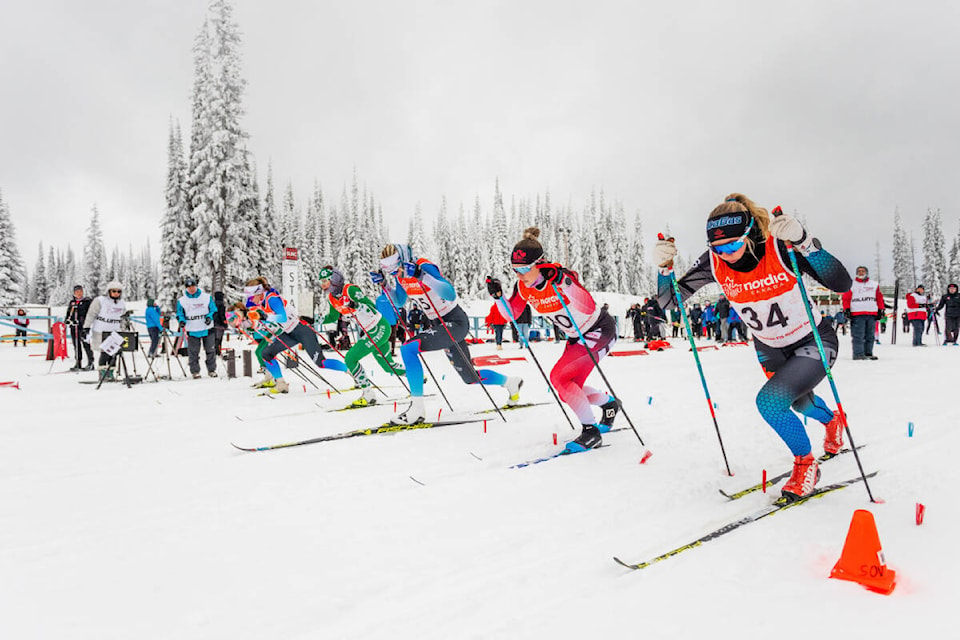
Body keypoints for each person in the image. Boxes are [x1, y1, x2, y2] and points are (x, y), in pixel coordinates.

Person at [655, 193, 852, 501]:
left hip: (813, 339)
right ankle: (832, 421)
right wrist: (664, 270)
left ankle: (805, 464)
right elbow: (668, 302)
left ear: (750, 235)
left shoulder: (778, 247)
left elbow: (841, 283)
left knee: (770, 403)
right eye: (718, 248)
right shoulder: (715, 261)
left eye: (733, 245)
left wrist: (803, 241)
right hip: (770, 346)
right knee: (799, 404)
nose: (727, 254)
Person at [488, 227, 619, 452]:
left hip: (599, 330)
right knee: (568, 386)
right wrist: (499, 298)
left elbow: (587, 306)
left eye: (524, 269)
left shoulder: (561, 276)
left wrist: (561, 281)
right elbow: (511, 315)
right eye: (515, 270)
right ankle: (609, 404)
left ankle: (591, 432)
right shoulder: (522, 287)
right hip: (576, 338)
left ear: (540, 263)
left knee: (559, 377)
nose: (519, 275)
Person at [373, 243, 522, 424]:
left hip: (455, 321)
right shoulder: (401, 276)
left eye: (395, 269)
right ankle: (510, 383)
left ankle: (417, 410)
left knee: (408, 348)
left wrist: (421, 275)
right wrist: (384, 285)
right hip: (439, 324)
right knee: (469, 377)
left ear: (403, 259)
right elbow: (398, 301)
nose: (394, 274)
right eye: (389, 272)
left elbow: (450, 294)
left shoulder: (424, 267)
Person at [319, 267, 406, 407]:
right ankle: (415, 375)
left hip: (379, 327)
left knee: (350, 358)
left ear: (334, 280)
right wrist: (313, 321)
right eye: (321, 281)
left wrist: (355, 304)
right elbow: (333, 316)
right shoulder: (332, 299)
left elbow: (370, 307)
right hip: (370, 330)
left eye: (325, 281)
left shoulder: (350, 290)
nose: (322, 285)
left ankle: (368, 394)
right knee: (388, 365)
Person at [244, 276, 344, 394]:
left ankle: (351, 371)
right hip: (289, 333)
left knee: (321, 363)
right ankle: (281, 384)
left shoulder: (272, 299)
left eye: (251, 297)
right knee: (266, 353)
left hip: (302, 330)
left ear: (258, 292)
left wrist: (264, 317)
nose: (251, 300)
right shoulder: (262, 300)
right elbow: (251, 309)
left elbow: (282, 317)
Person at [176, 277, 219, 379]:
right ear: (186, 288)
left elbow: (213, 310)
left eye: (193, 286)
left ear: (196, 286)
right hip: (192, 329)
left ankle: (211, 370)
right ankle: (195, 371)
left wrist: (209, 317)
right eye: (189, 287)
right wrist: (181, 321)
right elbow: (180, 313)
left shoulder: (206, 297)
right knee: (193, 352)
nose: (191, 289)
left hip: (207, 328)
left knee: (210, 350)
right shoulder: (182, 301)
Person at [83, 280, 127, 378]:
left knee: (113, 352)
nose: (116, 293)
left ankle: (110, 372)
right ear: (109, 291)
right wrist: (86, 327)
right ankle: (102, 372)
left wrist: (124, 328)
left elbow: (123, 317)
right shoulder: (100, 300)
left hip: (115, 330)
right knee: (104, 352)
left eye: (118, 291)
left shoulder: (121, 303)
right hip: (101, 329)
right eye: (114, 291)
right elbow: (91, 314)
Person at [841, 265, 885, 360]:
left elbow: (879, 298)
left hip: (871, 313)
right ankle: (858, 354)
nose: (861, 273)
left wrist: (881, 309)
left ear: (866, 272)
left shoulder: (874, 285)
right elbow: (846, 298)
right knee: (858, 335)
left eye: (863, 271)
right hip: (857, 314)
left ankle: (868, 353)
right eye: (859, 271)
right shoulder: (851, 284)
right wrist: (847, 309)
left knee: (870, 335)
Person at [65, 285, 94, 369]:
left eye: (80, 291)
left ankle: (90, 362)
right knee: (76, 345)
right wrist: (67, 320)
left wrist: (82, 321)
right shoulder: (72, 302)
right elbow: (69, 313)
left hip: (83, 327)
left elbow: (90, 314)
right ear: (74, 293)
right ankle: (78, 362)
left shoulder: (87, 301)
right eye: (77, 292)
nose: (79, 293)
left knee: (86, 344)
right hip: (74, 327)